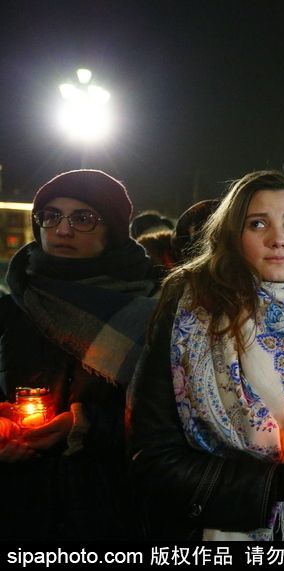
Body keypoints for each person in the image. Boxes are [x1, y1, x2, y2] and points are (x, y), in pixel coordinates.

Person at [129, 171, 284, 567]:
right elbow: (154, 457)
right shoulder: (191, 315)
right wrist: (274, 484)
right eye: (257, 223)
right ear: (231, 235)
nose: (277, 239)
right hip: (223, 540)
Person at [0, 169, 157, 540]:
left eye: (83, 218)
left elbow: (180, 421)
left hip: (111, 513)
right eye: (50, 216)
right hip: (17, 509)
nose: (63, 230)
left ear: (114, 229)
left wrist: (88, 427)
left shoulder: (153, 312)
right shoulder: (13, 309)